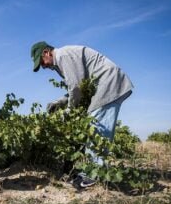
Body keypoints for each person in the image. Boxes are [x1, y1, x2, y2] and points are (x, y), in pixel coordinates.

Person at [30, 41, 133, 188]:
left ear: (46, 53)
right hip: (107, 83)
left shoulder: (63, 56)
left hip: (107, 83)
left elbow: (76, 87)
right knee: (96, 125)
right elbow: (79, 84)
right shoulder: (63, 57)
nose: (44, 66)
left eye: (42, 62)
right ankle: (96, 172)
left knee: (97, 126)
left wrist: (68, 111)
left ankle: (94, 175)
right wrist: (60, 102)